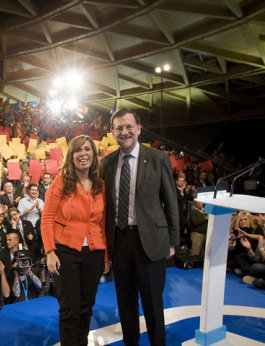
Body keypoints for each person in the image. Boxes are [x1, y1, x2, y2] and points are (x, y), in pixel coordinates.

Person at [100, 108, 179, 346]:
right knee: (125, 303)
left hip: (151, 241)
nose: (124, 132)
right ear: (113, 132)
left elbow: (171, 201)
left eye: (128, 127)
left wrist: (173, 241)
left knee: (153, 303)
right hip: (119, 241)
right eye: (119, 128)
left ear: (139, 128)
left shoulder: (158, 159)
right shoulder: (106, 163)